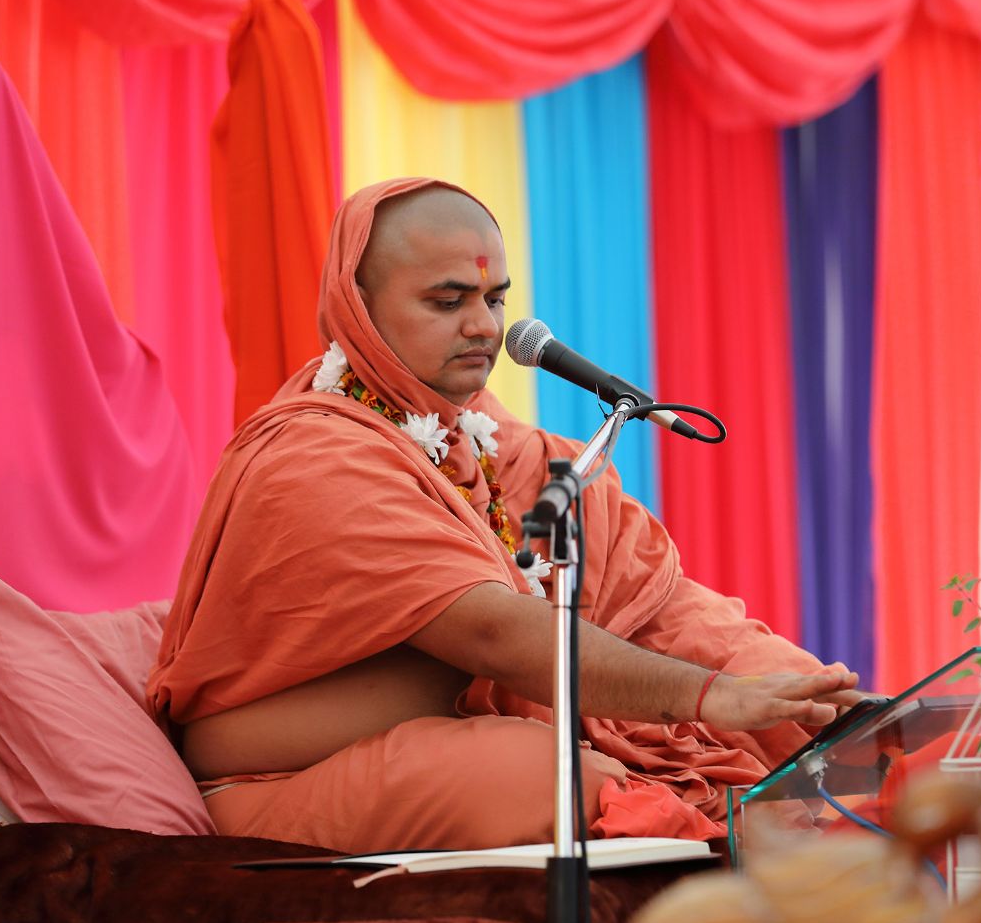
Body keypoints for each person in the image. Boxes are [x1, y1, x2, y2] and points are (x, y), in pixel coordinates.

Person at [148, 178, 860, 852]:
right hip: (287, 777)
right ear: (358, 306)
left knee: (768, 735)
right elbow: (493, 631)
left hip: (445, 734)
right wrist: (708, 696)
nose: (484, 326)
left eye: (495, 298)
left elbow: (654, 599)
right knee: (549, 775)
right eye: (447, 301)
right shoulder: (314, 456)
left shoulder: (472, 434)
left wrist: (798, 693)